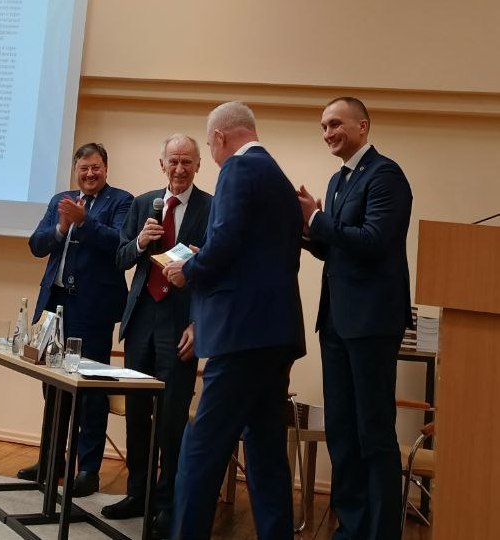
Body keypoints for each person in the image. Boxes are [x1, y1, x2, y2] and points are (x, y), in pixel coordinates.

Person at [164, 102, 306, 540]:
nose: (213, 154)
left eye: (210, 146)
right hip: (276, 333)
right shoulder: (277, 176)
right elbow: (257, 252)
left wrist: (188, 269)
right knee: (265, 451)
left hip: (241, 335)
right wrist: (204, 258)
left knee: (202, 447)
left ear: (221, 137)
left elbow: (224, 243)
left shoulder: (238, 169)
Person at [298, 97, 413, 540]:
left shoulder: (386, 175)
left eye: (335, 124)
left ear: (362, 126)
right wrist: (306, 231)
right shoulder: (338, 179)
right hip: (336, 322)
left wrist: (318, 219)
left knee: (373, 433)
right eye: (323, 127)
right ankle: (351, 527)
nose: (327, 133)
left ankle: (380, 532)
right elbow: (337, 247)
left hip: (371, 324)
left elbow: (373, 241)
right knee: (342, 431)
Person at [101, 134, 212, 539]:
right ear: (161, 164)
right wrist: (139, 242)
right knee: (137, 413)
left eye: (187, 162)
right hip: (141, 319)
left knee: (171, 418)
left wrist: (199, 324)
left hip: (181, 322)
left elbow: (216, 273)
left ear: (198, 165)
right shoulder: (143, 203)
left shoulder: (211, 207)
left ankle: (167, 502)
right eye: (173, 161)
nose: (179, 169)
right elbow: (120, 258)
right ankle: (138, 492)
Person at [18, 142, 133, 497]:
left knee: (90, 392)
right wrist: (61, 227)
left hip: (92, 309)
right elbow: (37, 245)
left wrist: (84, 222)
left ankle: (88, 470)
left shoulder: (122, 201)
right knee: (52, 386)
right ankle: (52, 460)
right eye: (84, 168)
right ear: (76, 170)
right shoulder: (61, 200)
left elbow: (119, 244)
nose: (90, 174)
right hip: (54, 305)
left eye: (96, 167)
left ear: (106, 168)